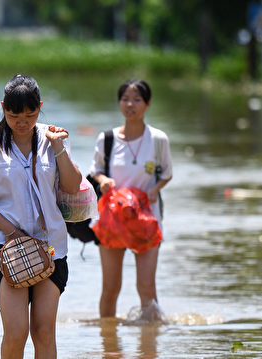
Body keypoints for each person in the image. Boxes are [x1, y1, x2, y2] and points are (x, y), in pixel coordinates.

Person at [0, 75, 82, 358]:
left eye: (30, 114)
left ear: (40, 107)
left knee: (44, 332)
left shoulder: (52, 137)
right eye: (14, 114)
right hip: (6, 248)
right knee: (16, 332)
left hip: (51, 247)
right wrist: (12, 231)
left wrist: (58, 148)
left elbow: (72, 186)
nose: (22, 121)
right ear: (3, 107)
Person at [89, 79, 173, 322]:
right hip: (113, 219)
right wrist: (103, 180)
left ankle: (150, 344)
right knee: (110, 288)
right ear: (119, 103)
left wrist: (155, 188)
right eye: (125, 99)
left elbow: (167, 173)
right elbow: (95, 170)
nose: (130, 104)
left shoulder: (158, 139)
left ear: (147, 104)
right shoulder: (107, 139)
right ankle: (108, 342)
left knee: (146, 287)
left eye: (137, 99)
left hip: (147, 219)